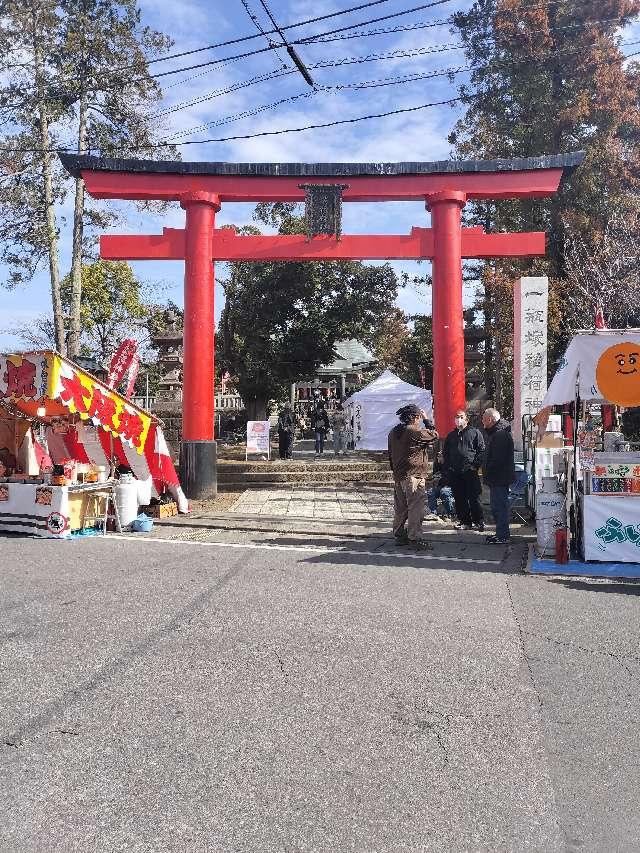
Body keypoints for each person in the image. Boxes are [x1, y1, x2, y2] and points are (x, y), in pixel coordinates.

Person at [388, 404, 438, 551]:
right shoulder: (413, 431)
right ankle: (414, 537)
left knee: (401, 508)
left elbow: (390, 453)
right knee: (416, 507)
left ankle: (399, 534)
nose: (419, 420)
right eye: (419, 418)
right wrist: (427, 420)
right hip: (413, 475)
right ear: (416, 417)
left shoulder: (393, 431)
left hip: (399, 475)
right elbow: (434, 435)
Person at [443, 409, 485, 531]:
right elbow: (446, 453)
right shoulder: (451, 435)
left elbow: (481, 450)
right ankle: (465, 521)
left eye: (461, 417)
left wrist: (475, 465)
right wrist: (449, 467)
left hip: (470, 471)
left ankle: (479, 521)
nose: (458, 419)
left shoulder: (475, 432)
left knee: (474, 497)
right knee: (459, 498)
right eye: (456, 417)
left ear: (466, 419)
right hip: (455, 472)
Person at [481, 407, 516, 544]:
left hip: (499, 478)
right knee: (497, 507)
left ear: (490, 419)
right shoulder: (497, 433)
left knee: (499, 507)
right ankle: (500, 534)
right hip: (497, 478)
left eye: (484, 419)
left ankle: (503, 536)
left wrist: (488, 469)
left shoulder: (500, 435)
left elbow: (498, 459)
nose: (482, 422)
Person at [425, 452, 456, 521]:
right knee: (430, 492)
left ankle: (450, 514)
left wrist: (442, 478)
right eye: (438, 456)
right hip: (440, 486)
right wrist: (433, 479)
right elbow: (434, 476)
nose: (438, 457)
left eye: (440, 456)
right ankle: (433, 513)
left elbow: (452, 478)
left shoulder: (450, 465)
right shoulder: (437, 464)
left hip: (451, 487)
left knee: (444, 492)